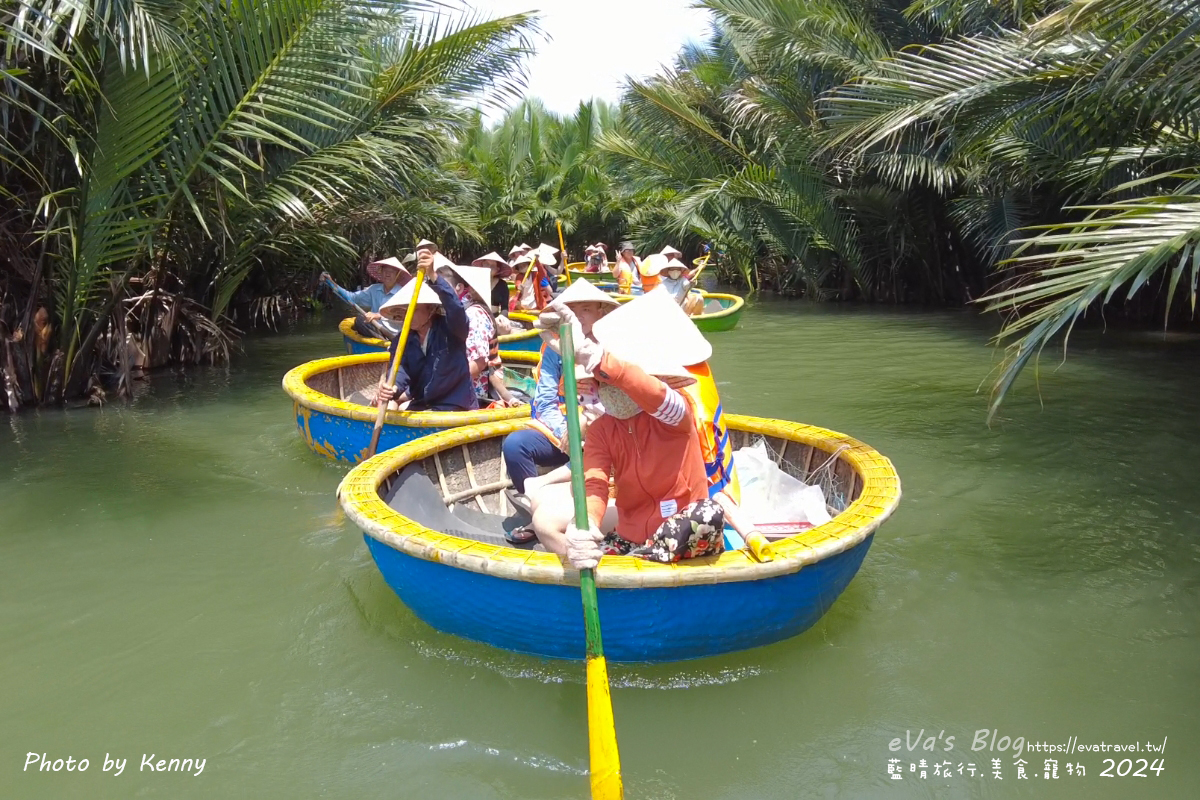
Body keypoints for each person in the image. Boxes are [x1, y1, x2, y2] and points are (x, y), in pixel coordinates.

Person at [529, 289, 757, 563]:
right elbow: (595, 483)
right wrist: (587, 523)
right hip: (633, 538)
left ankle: (642, 558)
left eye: (612, 380)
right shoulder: (603, 429)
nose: (608, 388)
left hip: (684, 534)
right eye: (601, 383)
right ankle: (628, 562)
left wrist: (595, 356)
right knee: (578, 536)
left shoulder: (675, 411)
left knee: (708, 514)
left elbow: (652, 393)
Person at [500, 279, 619, 541]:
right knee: (516, 445)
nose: (578, 318)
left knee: (596, 449)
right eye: (572, 311)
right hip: (564, 428)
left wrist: (585, 427)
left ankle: (577, 514)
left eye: (586, 310)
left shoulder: (613, 347)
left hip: (605, 429)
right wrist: (567, 429)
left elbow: (619, 404)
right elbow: (544, 400)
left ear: (601, 311)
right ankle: (537, 514)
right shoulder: (556, 347)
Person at [375, 248, 476, 412]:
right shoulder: (402, 340)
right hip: (423, 402)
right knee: (391, 408)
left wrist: (434, 276)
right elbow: (400, 369)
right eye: (404, 311)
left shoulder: (451, 329)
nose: (407, 315)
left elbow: (456, 310)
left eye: (413, 310)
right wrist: (393, 388)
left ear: (430, 310)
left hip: (455, 403)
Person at [437, 257, 518, 408]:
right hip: (458, 380)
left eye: (442, 286)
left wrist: (443, 384)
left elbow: (478, 363)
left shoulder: (473, 314)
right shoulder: (453, 311)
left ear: (461, 288)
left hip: (477, 389)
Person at [321, 257, 411, 337]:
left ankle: (390, 343)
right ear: (381, 272)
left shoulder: (404, 292)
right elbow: (351, 298)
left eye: (392, 271)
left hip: (397, 334)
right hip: (377, 331)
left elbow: (404, 316)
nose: (388, 274)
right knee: (360, 320)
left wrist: (378, 315)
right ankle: (383, 341)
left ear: (398, 275)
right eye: (385, 271)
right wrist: (331, 282)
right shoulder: (374, 289)